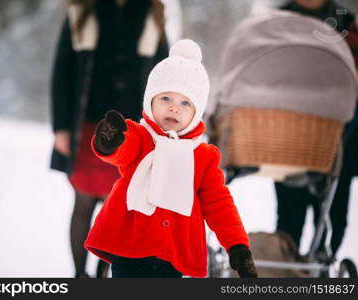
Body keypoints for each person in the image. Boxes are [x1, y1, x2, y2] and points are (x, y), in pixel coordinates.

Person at [84, 39, 258, 278]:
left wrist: (237, 244)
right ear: (150, 101)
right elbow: (123, 150)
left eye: (185, 102)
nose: (174, 108)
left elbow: (219, 203)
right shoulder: (140, 135)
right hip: (130, 247)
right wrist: (110, 141)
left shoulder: (203, 156)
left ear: (197, 113)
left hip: (173, 255)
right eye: (166, 98)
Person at [50, 0, 169, 278]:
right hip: (88, 128)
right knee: (83, 202)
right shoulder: (82, 11)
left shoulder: (151, 12)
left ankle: (104, 272)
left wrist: (160, 130)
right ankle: (80, 275)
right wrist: (61, 127)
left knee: (121, 207)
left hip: (131, 133)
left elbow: (164, 75)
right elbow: (62, 71)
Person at [275, 0, 358, 255]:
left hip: (338, 132)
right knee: (290, 214)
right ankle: (288, 265)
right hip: (290, 131)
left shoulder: (345, 19)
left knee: (334, 213)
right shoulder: (278, 21)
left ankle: (324, 258)